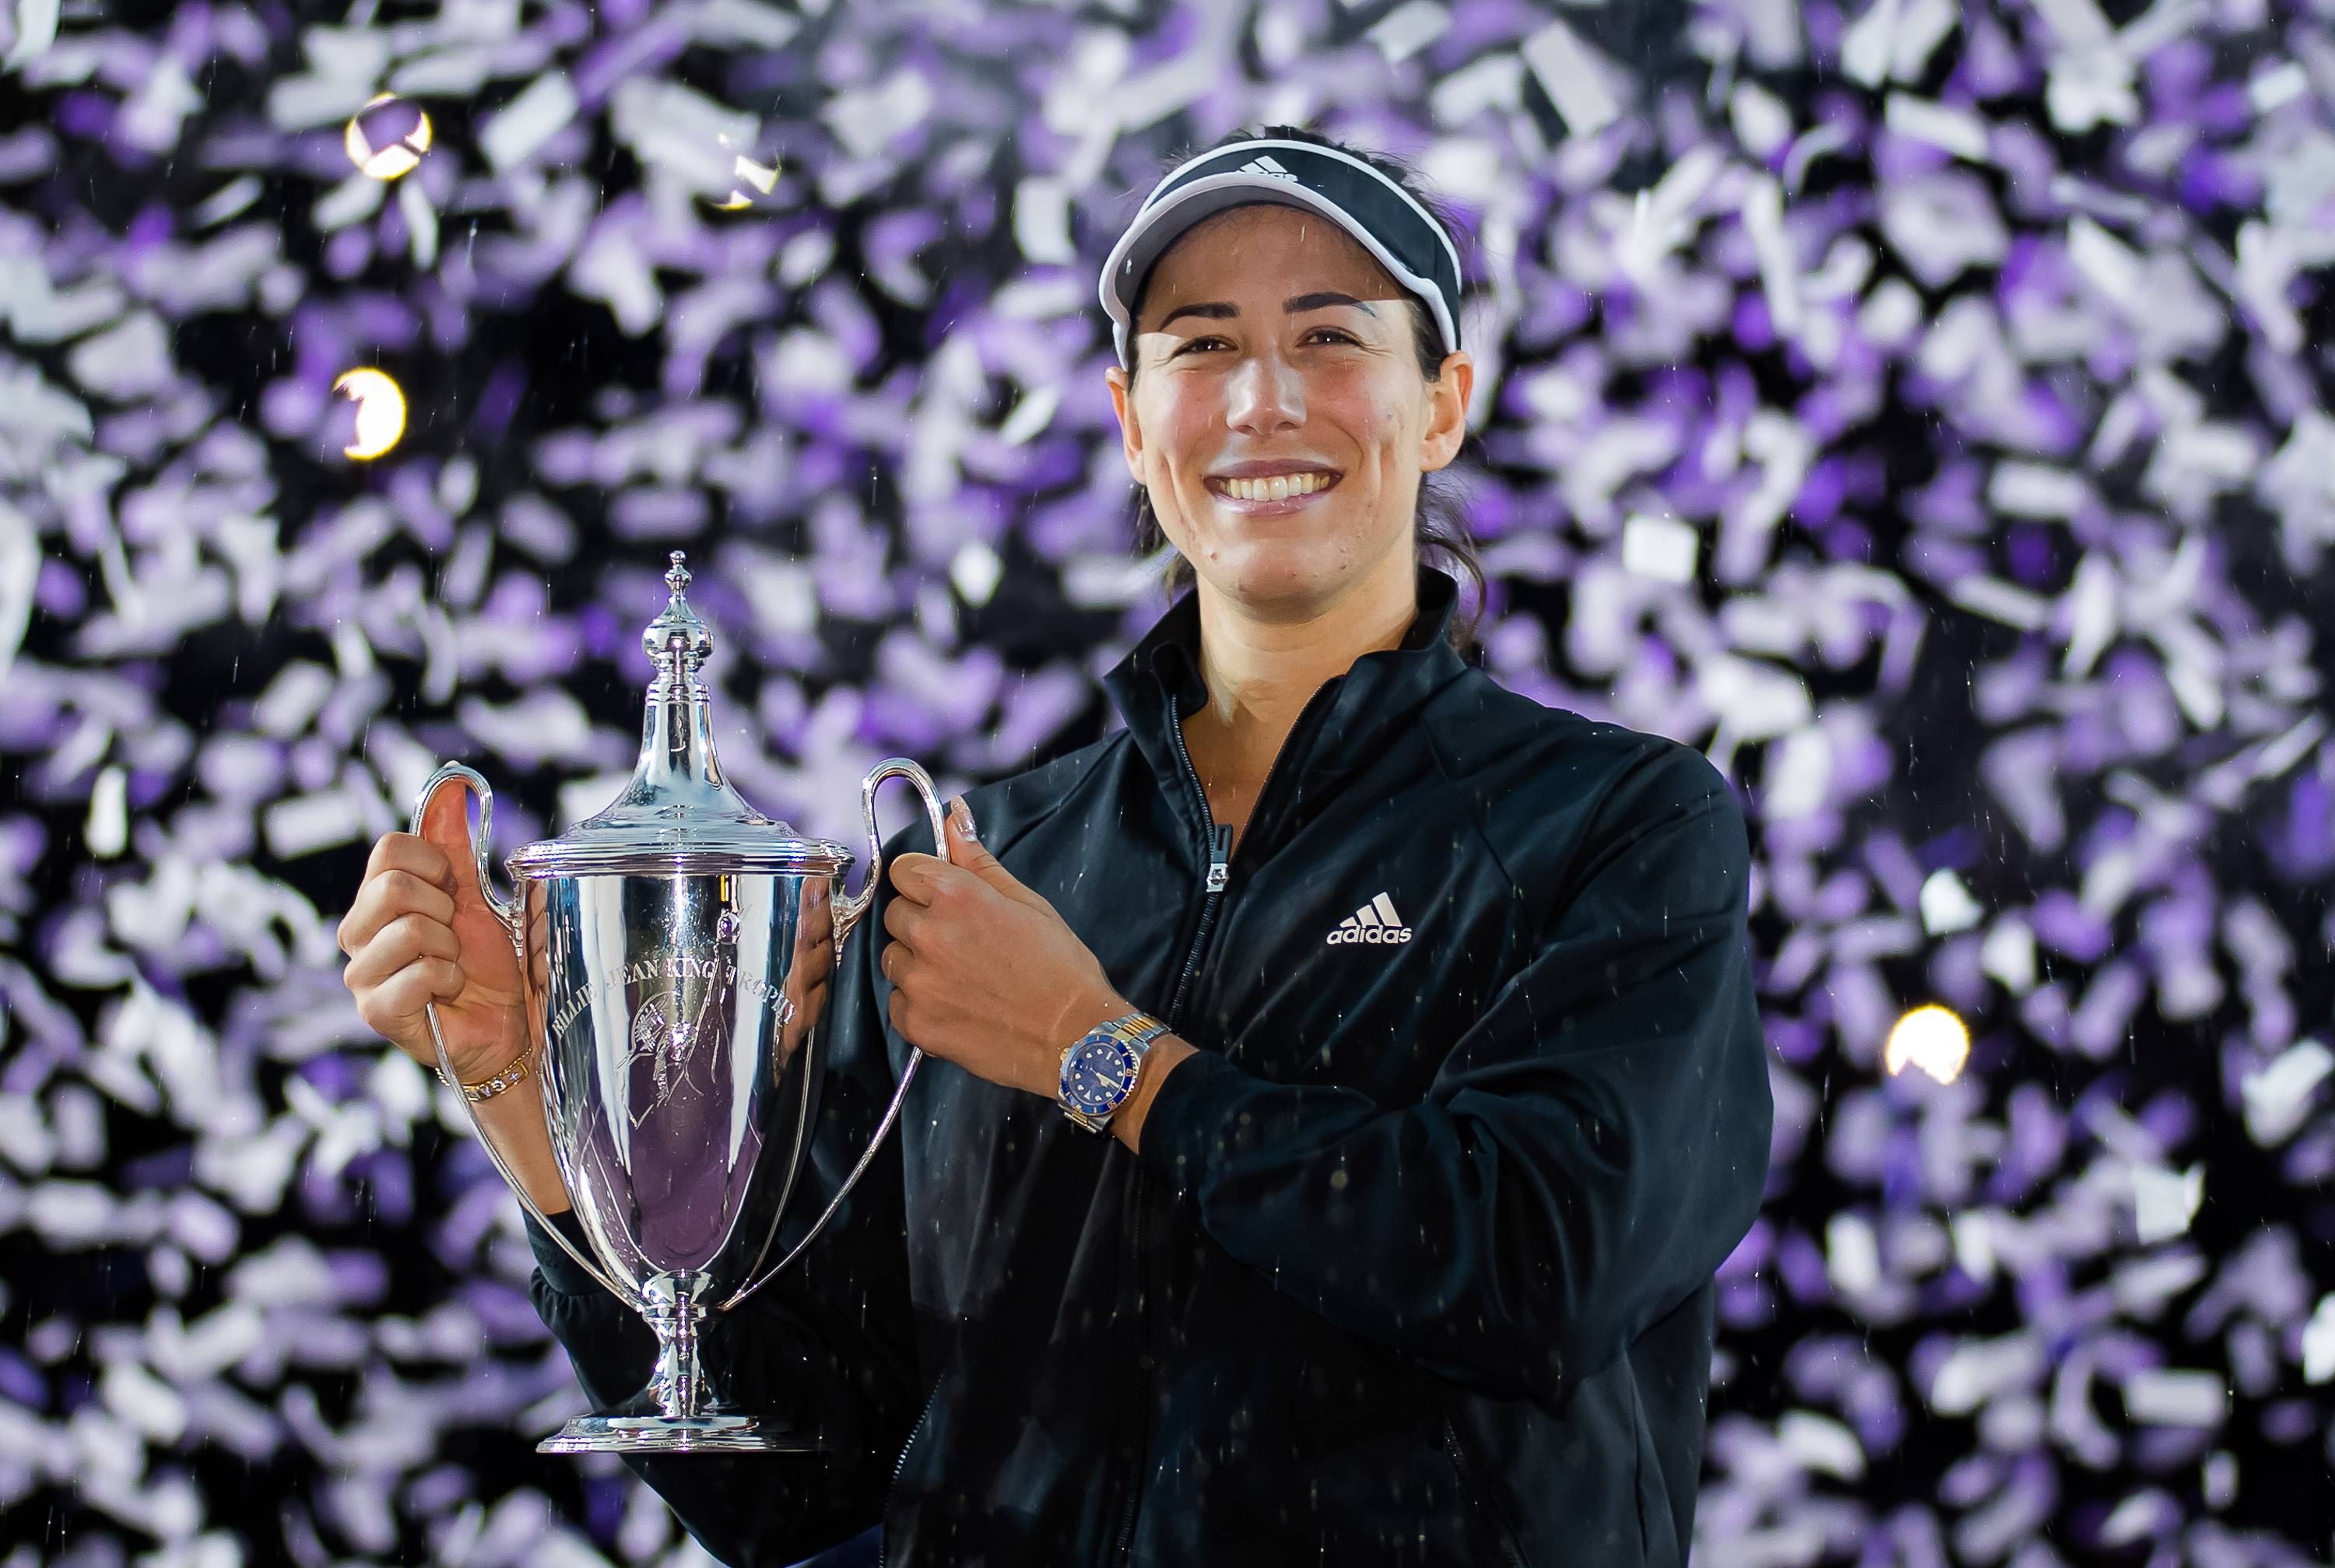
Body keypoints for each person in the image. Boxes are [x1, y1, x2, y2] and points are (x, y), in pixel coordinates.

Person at [337, 125, 1775, 1567]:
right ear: (1131, 417)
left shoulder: (1619, 826)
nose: (1263, 401)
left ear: (1444, 401)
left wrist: (1100, 1052)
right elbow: (795, 1476)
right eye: (1200, 349)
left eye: (1330, 337)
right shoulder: (977, 870)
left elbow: (1538, 1265)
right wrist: (529, 1084)